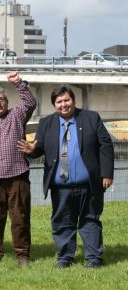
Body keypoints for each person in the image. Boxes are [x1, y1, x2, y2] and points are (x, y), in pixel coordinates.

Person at [18, 86, 113, 268]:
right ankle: (65, 257)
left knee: (90, 220)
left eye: (67, 100)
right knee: (62, 222)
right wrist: (32, 150)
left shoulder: (91, 117)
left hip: (89, 183)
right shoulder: (46, 123)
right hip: (60, 186)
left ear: (74, 100)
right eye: (59, 101)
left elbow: (105, 145)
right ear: (54, 105)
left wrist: (107, 173)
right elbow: (39, 148)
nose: (63, 104)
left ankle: (94, 258)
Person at [0, 71, 37, 265]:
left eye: (2, 100)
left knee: (20, 219)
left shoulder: (17, 115)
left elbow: (30, 103)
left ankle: (22, 255)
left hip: (17, 175)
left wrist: (18, 82)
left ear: (7, 102)